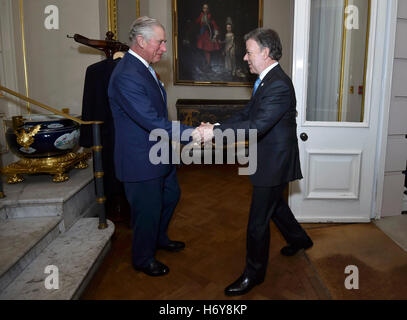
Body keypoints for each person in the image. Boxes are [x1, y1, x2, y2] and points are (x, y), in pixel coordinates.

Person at [198, 28, 313, 296]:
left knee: (257, 222)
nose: (245, 58)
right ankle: (300, 239)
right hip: (269, 157)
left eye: (249, 52)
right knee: (276, 207)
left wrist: (213, 134)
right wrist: (216, 125)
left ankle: (254, 274)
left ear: (265, 52)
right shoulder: (265, 80)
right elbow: (247, 114)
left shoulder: (279, 85)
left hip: (274, 161)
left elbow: (258, 125)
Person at [108, 16, 196, 277]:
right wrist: (196, 134)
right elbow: (152, 121)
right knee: (147, 211)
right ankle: (143, 258)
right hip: (140, 160)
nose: (164, 48)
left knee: (170, 197)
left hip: (159, 154)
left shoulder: (144, 68)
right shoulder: (127, 75)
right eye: (160, 42)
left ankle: (159, 238)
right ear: (141, 41)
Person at [195, 3, 220, 70]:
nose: (205, 9)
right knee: (203, 50)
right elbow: (197, 22)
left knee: (207, 50)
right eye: (204, 8)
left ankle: (208, 64)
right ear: (202, 9)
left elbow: (214, 25)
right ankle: (206, 64)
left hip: (208, 35)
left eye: (206, 8)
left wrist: (215, 33)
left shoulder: (210, 16)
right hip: (202, 35)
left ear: (208, 9)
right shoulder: (201, 15)